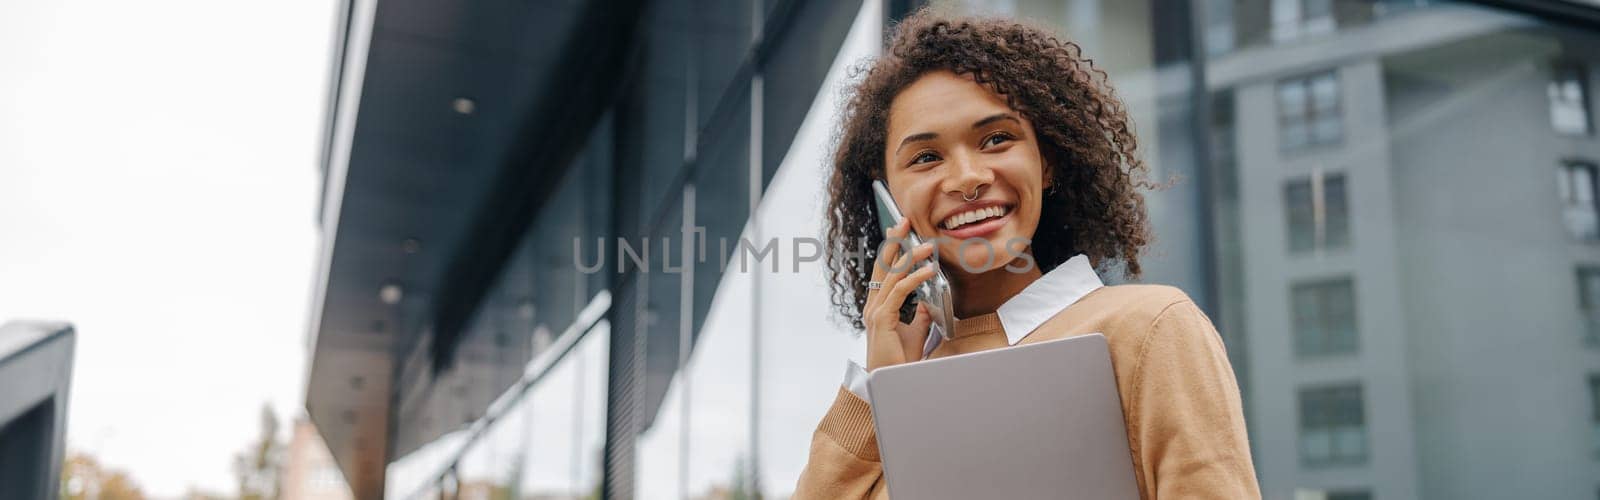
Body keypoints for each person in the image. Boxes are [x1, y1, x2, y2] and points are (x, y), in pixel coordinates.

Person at [793, 8, 1260, 499]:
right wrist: (877, 384)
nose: (968, 178)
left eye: (997, 139)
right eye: (926, 157)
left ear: (1048, 162)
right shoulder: (894, 379)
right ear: (886, 196)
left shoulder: (1150, 327)